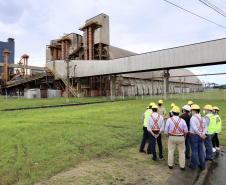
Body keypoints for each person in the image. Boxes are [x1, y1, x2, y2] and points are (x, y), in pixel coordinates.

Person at [165, 106, 188, 170]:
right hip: (181, 137)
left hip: (172, 137)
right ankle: (182, 166)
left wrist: (167, 136)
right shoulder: (182, 120)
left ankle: (170, 165)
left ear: (172, 113)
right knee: (182, 152)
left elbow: (166, 130)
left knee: (171, 151)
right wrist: (185, 136)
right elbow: (186, 130)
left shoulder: (169, 120)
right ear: (179, 113)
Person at [187, 104, 207, 170]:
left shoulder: (193, 118)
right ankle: (202, 165)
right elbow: (206, 127)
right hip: (201, 136)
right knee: (201, 149)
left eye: (192, 110)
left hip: (194, 135)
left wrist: (200, 134)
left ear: (194, 110)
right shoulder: (203, 118)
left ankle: (193, 164)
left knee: (194, 150)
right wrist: (203, 134)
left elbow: (194, 128)